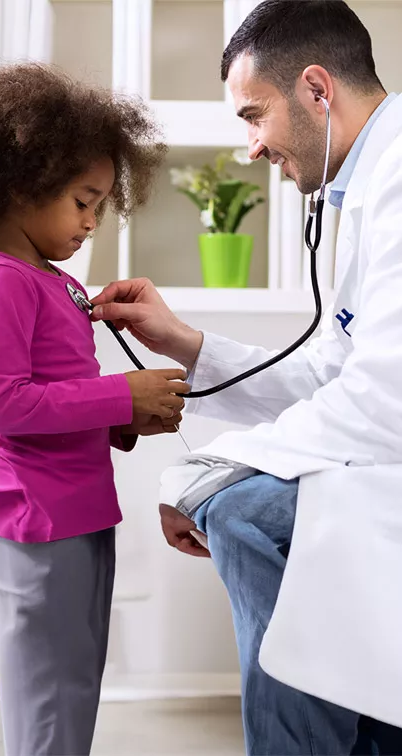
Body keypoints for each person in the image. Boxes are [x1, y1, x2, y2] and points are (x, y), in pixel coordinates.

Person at [91, 1, 402, 754]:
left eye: (253, 116)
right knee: (242, 506)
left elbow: (384, 399)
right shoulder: (367, 184)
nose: (252, 148)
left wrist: (202, 474)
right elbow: (339, 369)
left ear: (317, 91)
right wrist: (187, 344)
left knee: (240, 511)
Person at [0, 63, 190, 756]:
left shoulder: (55, 282)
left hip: (76, 512)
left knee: (72, 687)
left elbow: (59, 392)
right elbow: (6, 404)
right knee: (49, 699)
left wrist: (124, 420)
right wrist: (121, 395)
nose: (92, 220)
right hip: (35, 524)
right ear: (19, 186)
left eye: (100, 203)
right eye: (82, 200)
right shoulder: (4, 281)